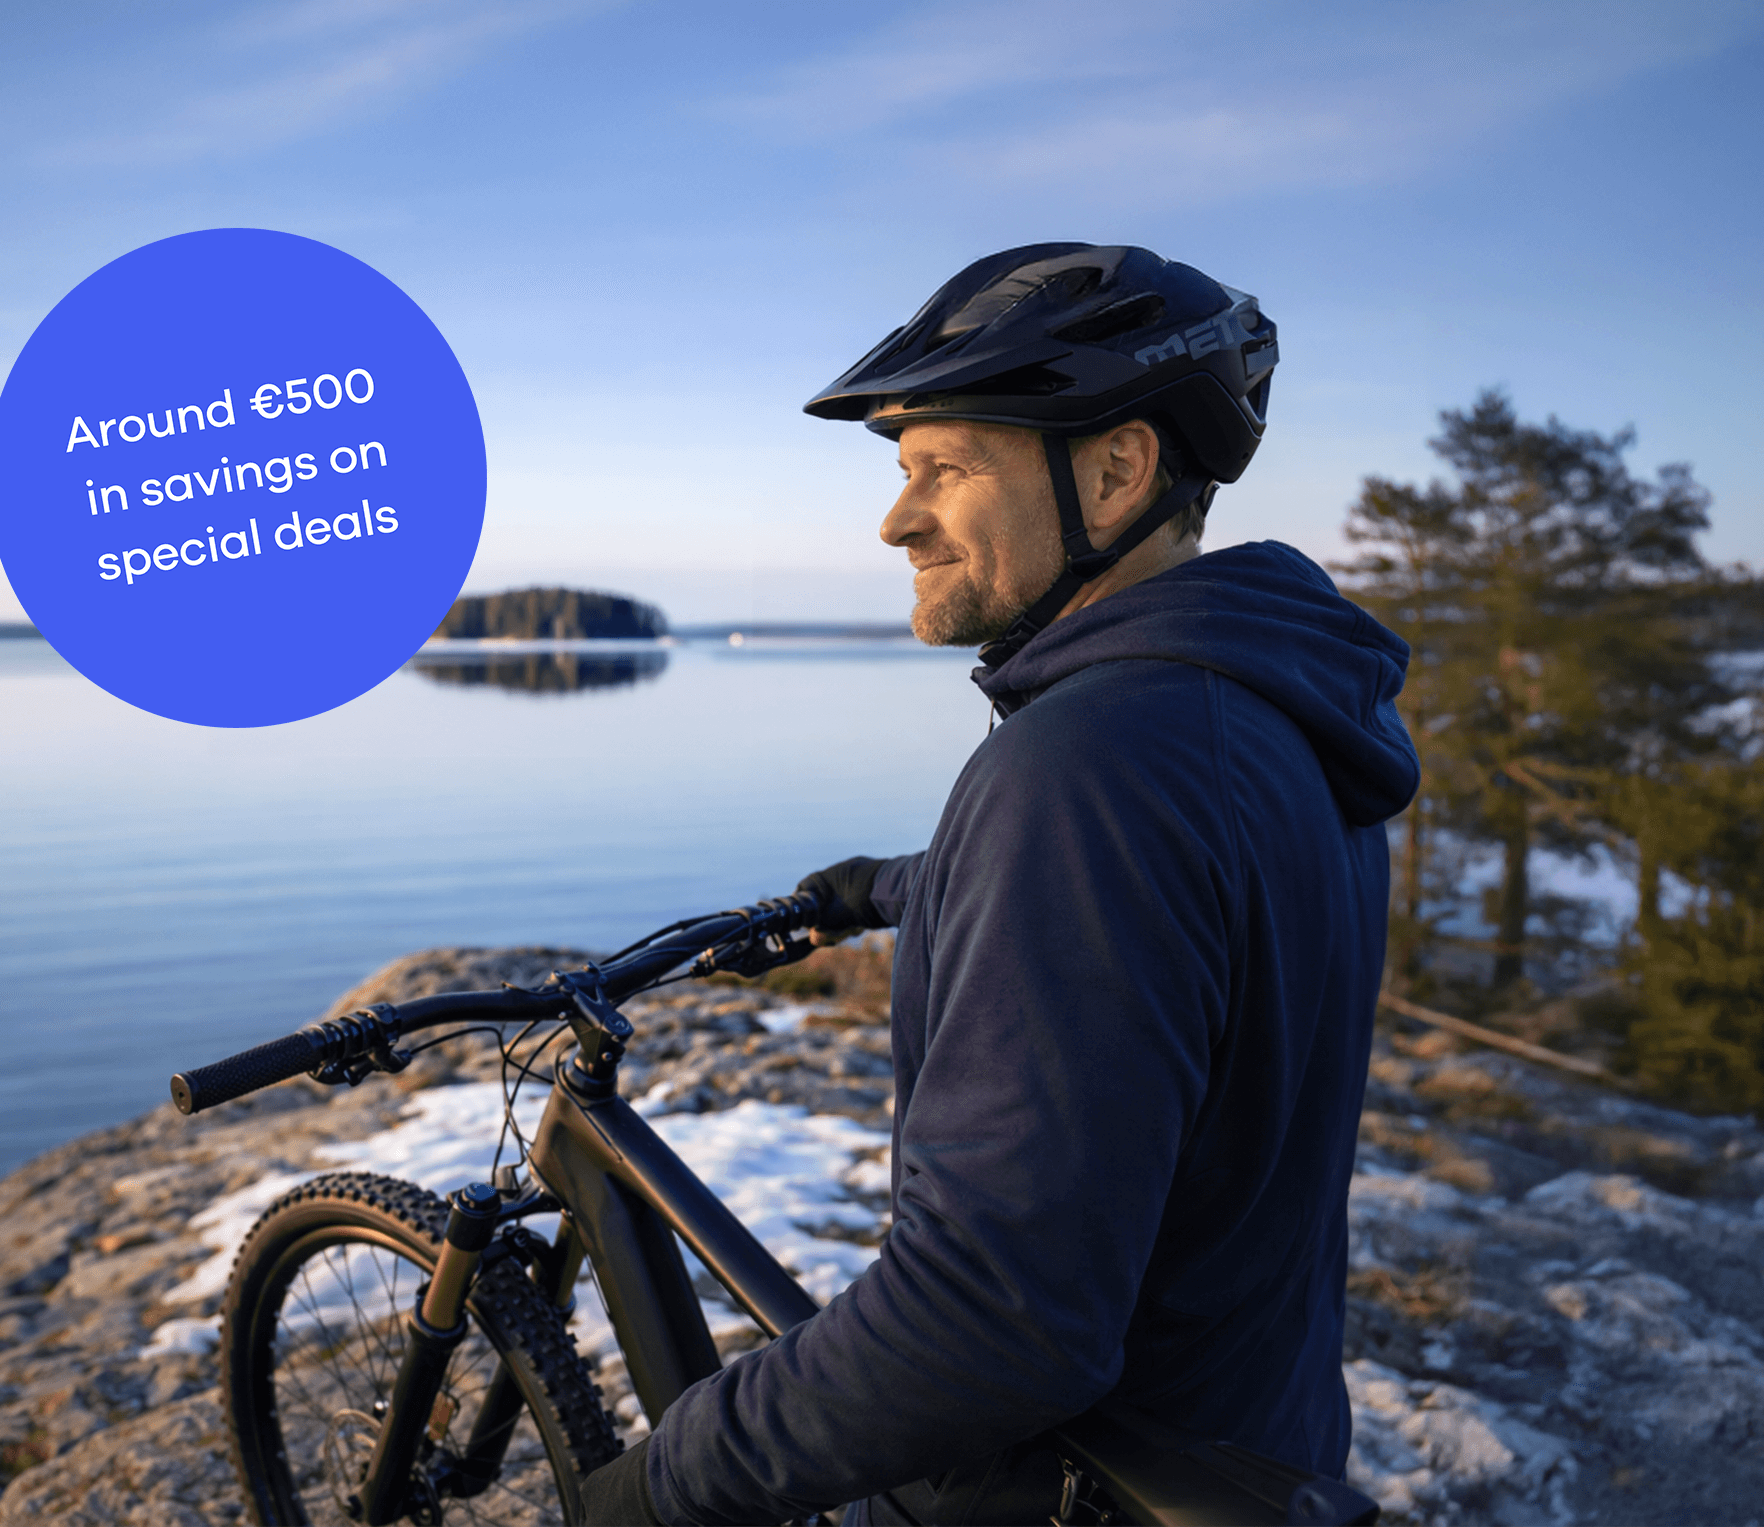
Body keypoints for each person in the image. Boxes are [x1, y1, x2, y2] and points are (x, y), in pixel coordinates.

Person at [582, 243, 1419, 1525]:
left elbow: (989, 1326)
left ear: (1117, 467)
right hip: (1251, 1442)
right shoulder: (1263, 713)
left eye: (945, 468)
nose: (896, 517)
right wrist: (882, 888)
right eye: (900, 472)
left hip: (1054, 1496)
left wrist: (657, 1484)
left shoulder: (1088, 767)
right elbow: (1166, 917)